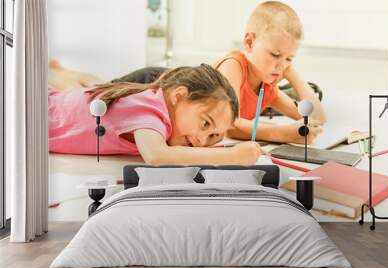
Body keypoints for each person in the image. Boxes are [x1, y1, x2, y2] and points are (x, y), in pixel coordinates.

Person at [48, 62, 266, 165]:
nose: (202, 141)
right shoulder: (150, 110)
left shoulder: (155, 103)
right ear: (179, 95)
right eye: (205, 124)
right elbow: (157, 156)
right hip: (30, 114)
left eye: (213, 136)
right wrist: (231, 156)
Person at [215, 1, 326, 144]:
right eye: (275, 54)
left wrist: (291, 73)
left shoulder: (267, 86)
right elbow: (228, 125)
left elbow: (317, 118)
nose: (281, 65)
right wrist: (283, 134)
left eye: (289, 58)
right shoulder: (232, 66)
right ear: (249, 43)